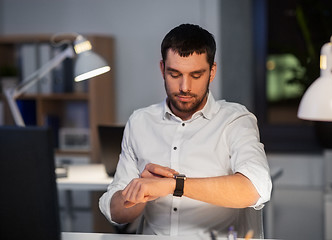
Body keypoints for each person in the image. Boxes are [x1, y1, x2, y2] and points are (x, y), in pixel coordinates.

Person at [99, 23, 272, 236]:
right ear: (162, 69)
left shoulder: (235, 120)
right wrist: (140, 191)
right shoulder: (140, 122)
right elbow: (115, 211)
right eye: (174, 74)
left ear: (212, 71)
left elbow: (256, 187)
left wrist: (174, 185)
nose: (184, 87)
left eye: (196, 75)